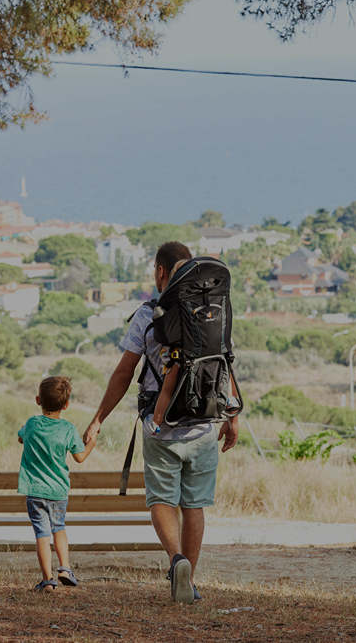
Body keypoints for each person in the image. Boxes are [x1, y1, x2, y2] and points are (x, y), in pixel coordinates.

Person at [83, 241, 240, 604]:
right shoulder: (213, 312)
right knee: (194, 505)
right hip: (205, 424)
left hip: (161, 425)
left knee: (161, 500)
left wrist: (97, 419)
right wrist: (232, 417)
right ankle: (190, 582)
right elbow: (225, 363)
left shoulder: (149, 315)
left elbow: (124, 373)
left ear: (160, 272)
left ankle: (176, 560)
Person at [18, 376, 95, 593]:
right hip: (58, 491)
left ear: (37, 400)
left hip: (34, 490)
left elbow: (21, 437)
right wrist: (93, 443)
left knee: (42, 533)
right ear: (66, 405)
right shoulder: (69, 429)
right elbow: (80, 458)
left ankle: (47, 581)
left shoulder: (32, 423)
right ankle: (65, 568)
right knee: (58, 528)